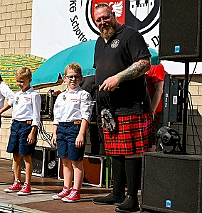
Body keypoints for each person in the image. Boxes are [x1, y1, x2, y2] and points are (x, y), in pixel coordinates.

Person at [91, 3, 153, 213]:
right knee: (115, 152)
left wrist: (118, 77)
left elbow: (144, 63)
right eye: (98, 20)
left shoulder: (130, 35)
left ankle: (132, 198)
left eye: (105, 18)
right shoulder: (100, 42)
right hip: (109, 108)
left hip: (132, 105)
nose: (102, 22)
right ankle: (117, 192)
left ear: (113, 14)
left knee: (132, 153)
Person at [51, 62, 93, 202]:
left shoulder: (84, 95)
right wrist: (54, 132)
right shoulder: (60, 96)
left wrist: (81, 133)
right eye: (70, 77)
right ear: (65, 78)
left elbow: (85, 116)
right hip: (62, 128)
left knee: (76, 161)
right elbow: (56, 116)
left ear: (81, 78)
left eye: (76, 77)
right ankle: (66, 188)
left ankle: (76, 191)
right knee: (65, 160)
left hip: (75, 128)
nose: (73, 79)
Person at [3, 66, 41, 196]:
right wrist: (11, 128)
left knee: (26, 155)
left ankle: (27, 184)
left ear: (29, 80)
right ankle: (17, 181)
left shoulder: (34, 95)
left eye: (22, 81)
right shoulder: (17, 95)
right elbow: (15, 112)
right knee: (15, 155)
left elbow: (36, 115)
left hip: (27, 126)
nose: (19, 84)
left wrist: (33, 131)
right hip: (16, 126)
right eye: (18, 81)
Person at [145, 63, 167, 139]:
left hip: (151, 109)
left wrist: (152, 110)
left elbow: (159, 89)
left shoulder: (156, 66)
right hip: (139, 109)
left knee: (150, 138)